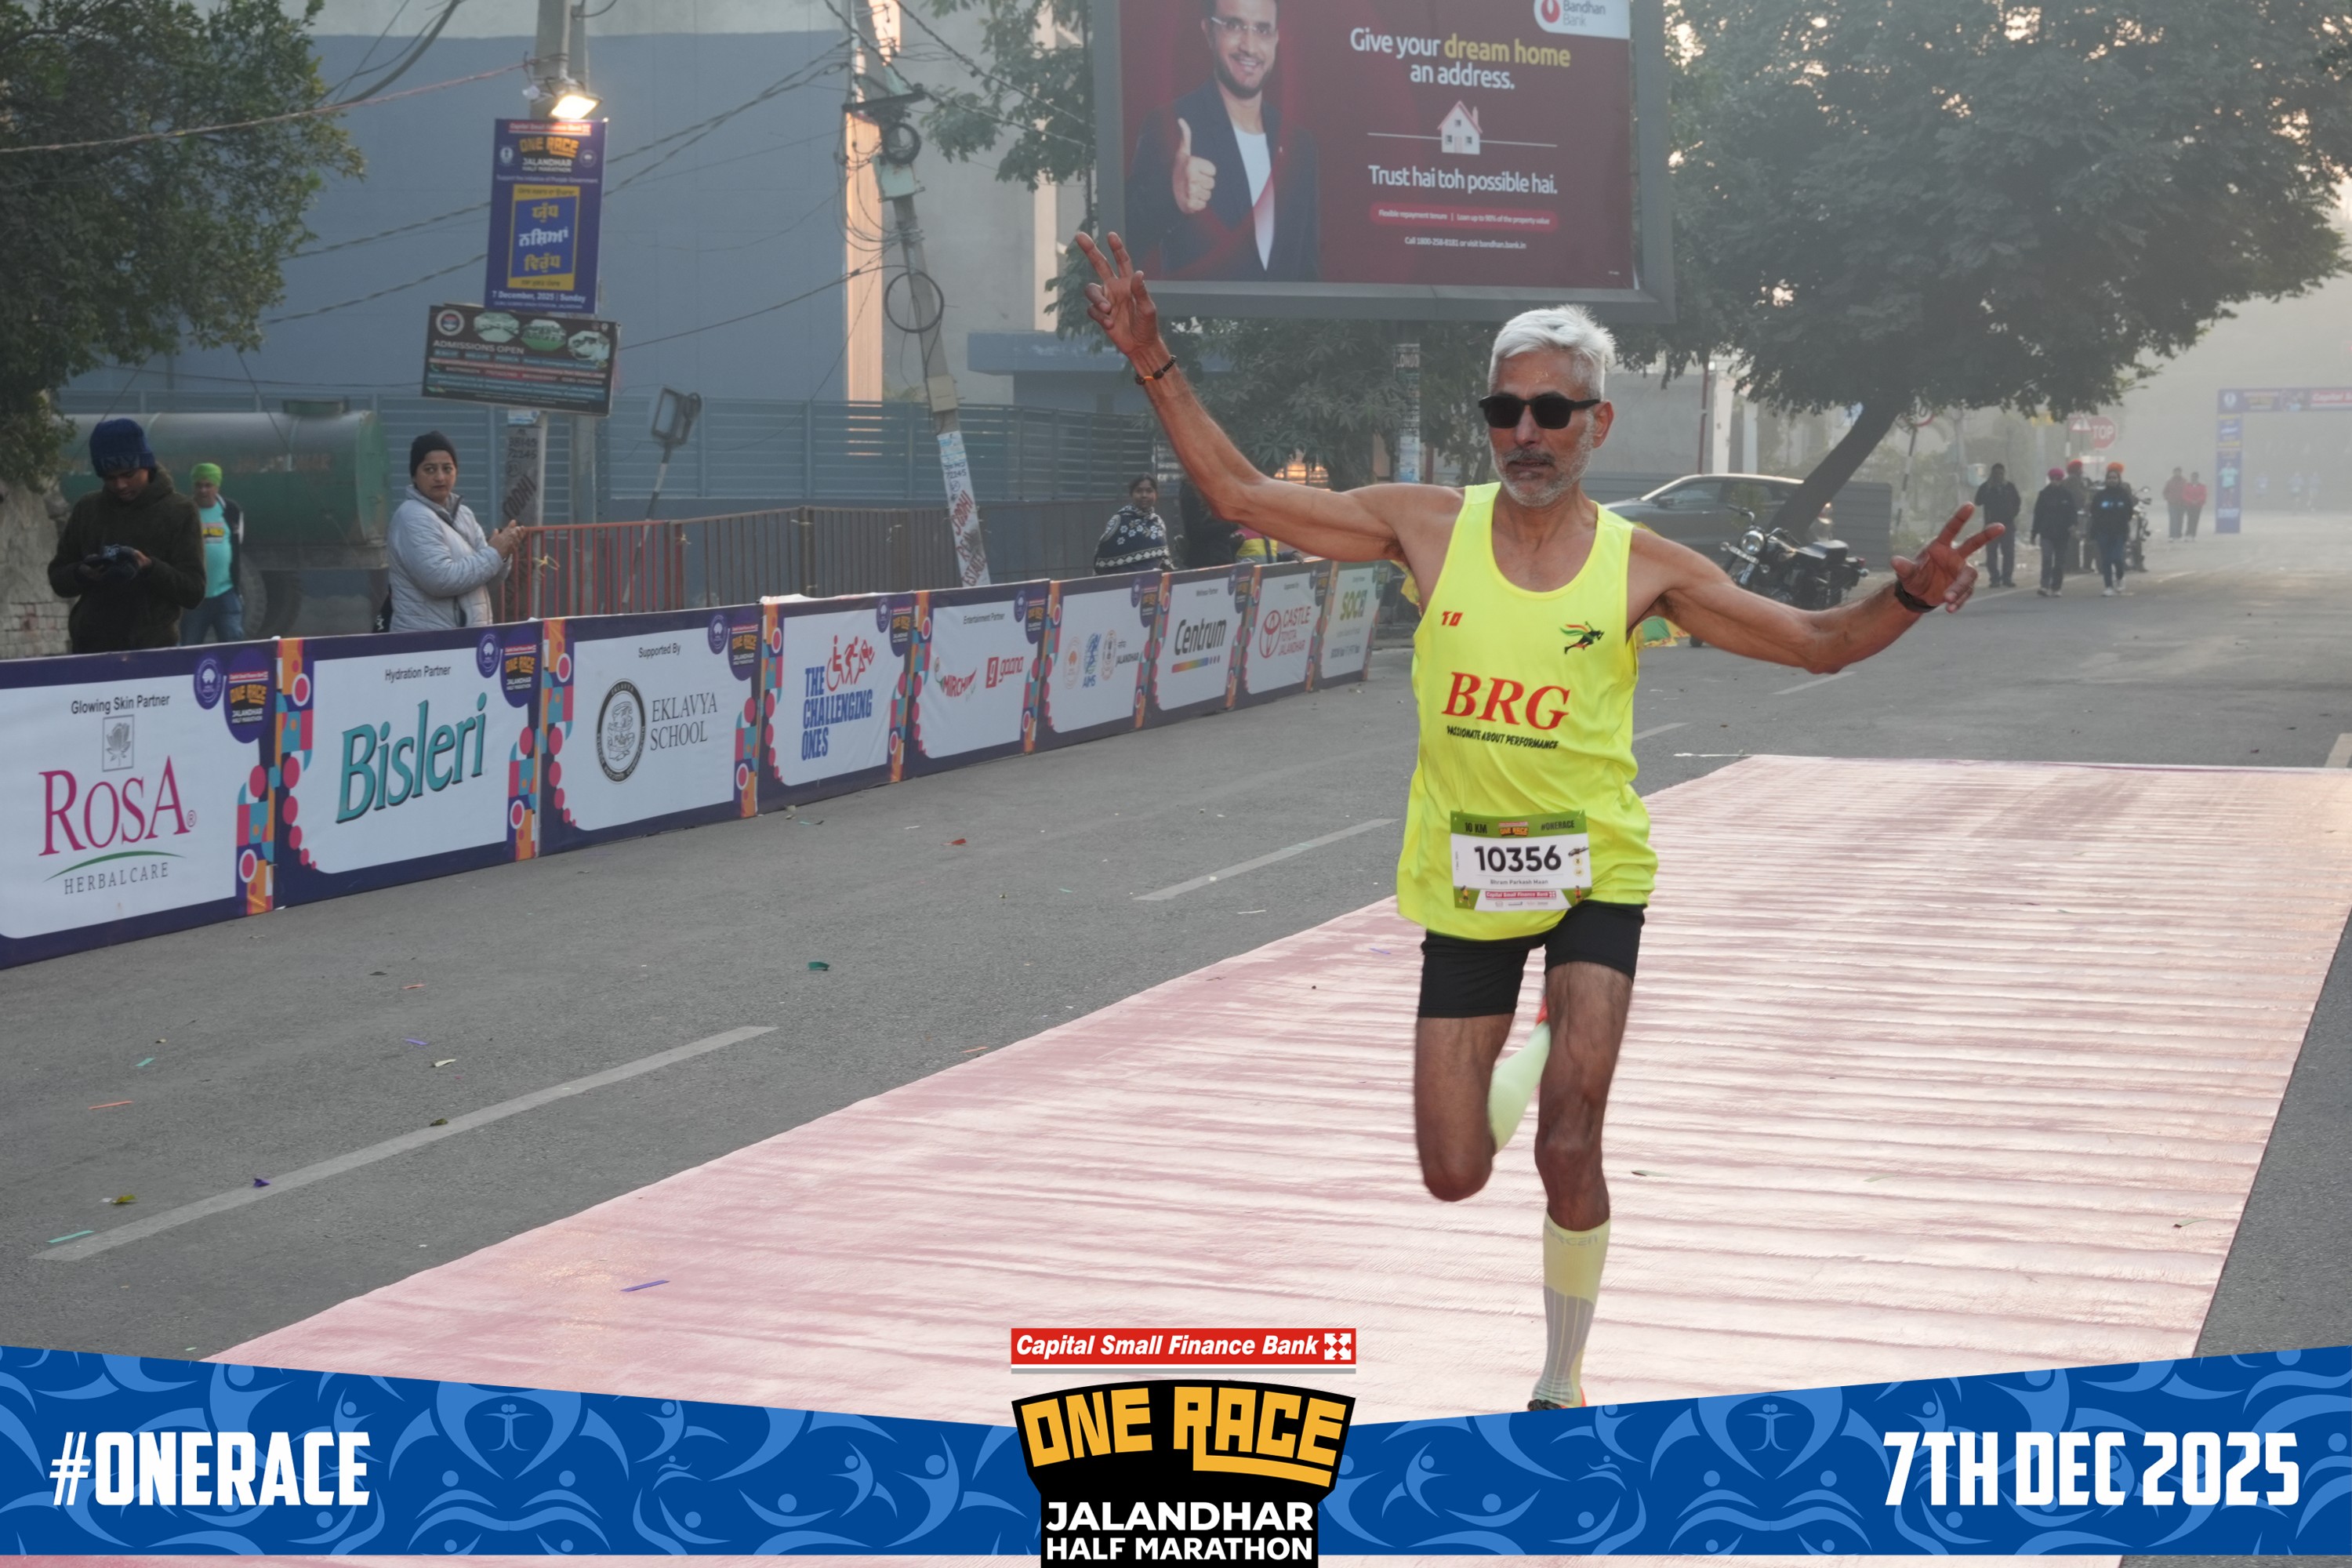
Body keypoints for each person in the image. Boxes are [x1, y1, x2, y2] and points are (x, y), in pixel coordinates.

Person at [1075, 230, 1995, 1410]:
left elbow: (1818, 643)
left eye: (1553, 411)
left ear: (1596, 425)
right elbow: (1242, 495)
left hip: (1591, 876)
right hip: (1465, 882)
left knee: (1569, 1138)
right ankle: (1537, 1044)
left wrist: (1906, 595)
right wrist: (1154, 361)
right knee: (1455, 1170)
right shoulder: (1424, 526)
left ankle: (1562, 1378)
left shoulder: (1646, 567)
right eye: (1505, 410)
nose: (1527, 432)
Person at [1123, 0, 1318, 282]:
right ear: (1209, 32)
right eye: (1234, 26)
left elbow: (1308, 273)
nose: (1249, 46)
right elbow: (1119, 247)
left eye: (1263, 30)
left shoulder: (1300, 145)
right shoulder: (1169, 125)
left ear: (1276, 39)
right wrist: (1170, 196)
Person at [46, 418, 205, 653]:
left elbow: (193, 592)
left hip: (152, 650)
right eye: (110, 478)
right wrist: (82, 572)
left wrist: (149, 567)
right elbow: (58, 578)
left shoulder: (179, 511)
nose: (120, 485)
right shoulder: (87, 509)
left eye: (128, 475)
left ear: (146, 466)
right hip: (90, 648)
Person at [387, 432, 522, 631]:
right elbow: (440, 580)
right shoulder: (412, 516)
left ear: (456, 472)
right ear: (414, 475)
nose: (440, 477)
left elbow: (486, 579)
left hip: (469, 638)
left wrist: (503, 554)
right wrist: (494, 553)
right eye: (430, 469)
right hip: (428, 641)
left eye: (447, 468)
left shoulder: (464, 514)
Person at [181, 462, 247, 644]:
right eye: (199, 485)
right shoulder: (184, 511)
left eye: (208, 485)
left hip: (226, 593)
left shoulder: (231, 510)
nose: (203, 490)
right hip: (195, 597)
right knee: (189, 647)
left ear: (217, 486)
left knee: (233, 647)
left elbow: (237, 543)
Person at [1094, 475, 1176, 575]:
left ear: (1156, 494)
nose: (1144, 495)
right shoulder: (1119, 521)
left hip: (1153, 582)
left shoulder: (1158, 522)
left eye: (1149, 491)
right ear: (1131, 494)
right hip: (1124, 582)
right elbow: (1103, 557)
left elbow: (1164, 562)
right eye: (1139, 491)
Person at [2086, 461, 2136, 596]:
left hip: (2119, 532)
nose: (2112, 480)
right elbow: (2094, 513)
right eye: (2110, 478)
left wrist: (2122, 522)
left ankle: (2120, 578)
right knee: (2106, 560)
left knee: (2117, 558)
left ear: (2118, 479)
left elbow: (2129, 513)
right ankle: (2108, 586)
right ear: (2106, 480)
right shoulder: (2100, 496)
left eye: (2114, 478)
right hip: (2103, 532)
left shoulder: (2124, 495)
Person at [2031, 466, 2077, 597]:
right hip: (2047, 533)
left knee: (2059, 562)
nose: (2055, 481)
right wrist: (2034, 533)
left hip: (2062, 534)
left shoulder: (2067, 495)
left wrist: (2073, 525)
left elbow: (2072, 512)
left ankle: (2056, 587)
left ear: (2061, 480)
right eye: (2053, 479)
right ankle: (2044, 585)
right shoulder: (2044, 495)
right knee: (2046, 559)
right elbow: (2038, 515)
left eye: (2058, 479)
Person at [1972, 463, 2020, 587]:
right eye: (1996, 474)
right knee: (1991, 553)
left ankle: (2007, 577)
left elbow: (2017, 502)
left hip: (2008, 525)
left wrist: (2012, 514)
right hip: (1991, 525)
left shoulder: (2009, 487)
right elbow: (1978, 501)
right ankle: (1994, 578)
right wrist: (1988, 489)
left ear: (2004, 474)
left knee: (2009, 552)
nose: (1999, 476)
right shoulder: (1986, 487)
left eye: (2001, 473)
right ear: (1992, 474)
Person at [2161, 467, 2187, 541]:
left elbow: (2187, 491)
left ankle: (2179, 535)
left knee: (2180, 520)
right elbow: (2165, 491)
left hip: (2182, 503)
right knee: (2173, 519)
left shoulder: (2185, 481)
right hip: (2172, 503)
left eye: (2178, 472)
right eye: (2176, 472)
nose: (2177, 473)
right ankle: (2172, 535)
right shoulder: (2169, 481)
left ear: (2181, 473)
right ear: (2173, 473)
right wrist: (2168, 498)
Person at [2182, 471, 2208, 539]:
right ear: (2191, 477)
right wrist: (2191, 501)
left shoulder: (2202, 486)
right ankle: (2188, 533)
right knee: (2190, 519)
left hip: (2198, 505)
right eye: (2193, 477)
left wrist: (2197, 501)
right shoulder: (2187, 485)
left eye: (2195, 477)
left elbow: (2203, 495)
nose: (2194, 478)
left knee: (2195, 519)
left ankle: (2193, 534)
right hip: (2189, 505)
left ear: (2197, 477)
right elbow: (2184, 495)